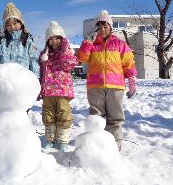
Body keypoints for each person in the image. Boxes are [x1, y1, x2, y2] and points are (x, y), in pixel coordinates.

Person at [77, 10, 137, 151]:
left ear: (111, 27)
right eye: (100, 27)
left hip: (115, 86)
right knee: (96, 117)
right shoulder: (91, 43)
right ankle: (96, 146)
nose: (103, 30)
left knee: (115, 117)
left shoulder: (120, 44)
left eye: (106, 26)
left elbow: (128, 62)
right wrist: (88, 42)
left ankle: (114, 145)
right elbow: (82, 58)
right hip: (95, 85)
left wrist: (132, 78)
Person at [39, 21, 78, 151]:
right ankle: (50, 139)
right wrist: (40, 88)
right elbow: (41, 72)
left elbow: (70, 65)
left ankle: (62, 140)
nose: (54, 41)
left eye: (57, 38)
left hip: (63, 90)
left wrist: (64, 50)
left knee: (64, 114)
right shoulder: (44, 55)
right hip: (48, 90)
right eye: (51, 39)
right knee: (48, 114)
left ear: (62, 39)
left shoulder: (68, 54)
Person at [0, 2, 39, 77]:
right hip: (6, 80)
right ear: (5, 27)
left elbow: (33, 60)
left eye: (15, 23)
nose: (12, 27)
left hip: (24, 79)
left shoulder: (28, 41)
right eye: (8, 25)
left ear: (21, 23)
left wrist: (35, 78)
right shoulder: (3, 41)